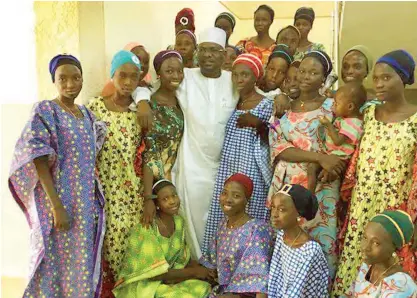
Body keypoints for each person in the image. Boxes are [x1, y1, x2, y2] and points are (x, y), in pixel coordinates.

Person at [134, 27, 238, 258]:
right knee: (193, 220)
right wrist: (142, 102)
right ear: (198, 53)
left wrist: (280, 97)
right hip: (192, 167)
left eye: (215, 51)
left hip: (224, 168)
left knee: (222, 217)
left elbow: (259, 94)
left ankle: (220, 265)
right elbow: (145, 87)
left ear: (224, 54)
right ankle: (198, 263)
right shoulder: (186, 76)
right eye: (204, 50)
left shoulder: (234, 80)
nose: (209, 55)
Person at [8, 54, 106, 297]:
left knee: (79, 264)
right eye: (63, 78)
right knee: (51, 262)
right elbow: (38, 158)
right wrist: (56, 207)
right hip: (56, 201)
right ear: (54, 80)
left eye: (76, 78)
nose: (70, 84)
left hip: (84, 206)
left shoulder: (88, 116)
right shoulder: (46, 110)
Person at [333, 50, 417, 296]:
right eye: (376, 78)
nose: (379, 84)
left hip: (396, 212)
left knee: (389, 271)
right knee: (356, 264)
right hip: (362, 207)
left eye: (387, 78)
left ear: (402, 78)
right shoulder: (368, 113)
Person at [268, 50, 345, 280]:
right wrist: (319, 158)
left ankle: (319, 288)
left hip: (322, 184)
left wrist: (328, 162)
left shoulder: (334, 107)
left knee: (322, 237)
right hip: (289, 185)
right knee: (288, 239)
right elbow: (279, 148)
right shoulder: (283, 107)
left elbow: (344, 141)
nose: (305, 76)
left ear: (324, 78)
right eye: (302, 71)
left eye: (314, 72)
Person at [203, 53, 274, 252]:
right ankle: (220, 262)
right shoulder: (231, 102)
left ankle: (252, 261)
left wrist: (260, 124)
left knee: (251, 211)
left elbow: (277, 135)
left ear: (256, 77)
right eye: (235, 75)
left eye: (245, 75)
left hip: (252, 169)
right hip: (228, 165)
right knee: (224, 211)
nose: (239, 80)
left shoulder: (266, 104)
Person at [87, 50, 143, 297]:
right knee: (108, 240)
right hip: (103, 189)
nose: (128, 82)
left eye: (134, 77)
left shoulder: (138, 114)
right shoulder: (95, 107)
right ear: (113, 75)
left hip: (131, 191)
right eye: (123, 75)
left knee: (130, 242)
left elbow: (144, 155)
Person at [113, 180, 211, 298]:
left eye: (174, 195)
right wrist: (194, 272)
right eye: (165, 199)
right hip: (145, 285)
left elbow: (181, 261)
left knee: (204, 288)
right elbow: (153, 274)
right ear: (156, 204)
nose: (172, 201)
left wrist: (204, 270)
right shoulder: (147, 228)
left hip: (168, 280)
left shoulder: (179, 222)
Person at [200, 173, 274, 298]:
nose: (228, 199)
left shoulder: (257, 229)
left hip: (246, 294)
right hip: (222, 289)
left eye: (236, 196)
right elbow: (212, 263)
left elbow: (259, 281)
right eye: (224, 193)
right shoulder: (223, 224)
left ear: (247, 200)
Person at [141, 50, 185, 226]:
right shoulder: (151, 105)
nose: (175, 75)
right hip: (154, 181)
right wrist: (149, 198)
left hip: (177, 177)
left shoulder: (182, 101)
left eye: (179, 71)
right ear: (158, 73)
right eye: (169, 71)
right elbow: (149, 152)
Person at [268, 184, 329, 298]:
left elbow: (296, 292)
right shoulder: (282, 236)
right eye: (273, 207)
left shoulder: (309, 250)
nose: (274, 214)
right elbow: (274, 277)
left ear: (298, 213)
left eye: (282, 209)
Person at [307, 82, 367, 192]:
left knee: (324, 174)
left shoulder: (353, 123)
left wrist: (328, 125)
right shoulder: (344, 118)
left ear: (350, 106)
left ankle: (310, 198)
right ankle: (309, 195)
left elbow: (338, 141)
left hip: (340, 158)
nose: (333, 106)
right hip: (333, 154)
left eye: (336, 104)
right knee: (312, 168)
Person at [344, 210, 417, 297]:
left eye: (376, 243)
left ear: (394, 247)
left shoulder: (401, 286)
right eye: (365, 237)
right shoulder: (367, 266)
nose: (365, 247)